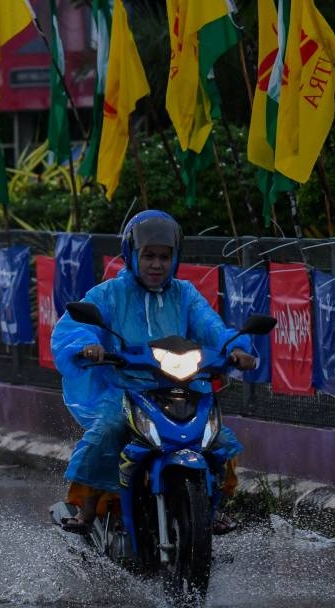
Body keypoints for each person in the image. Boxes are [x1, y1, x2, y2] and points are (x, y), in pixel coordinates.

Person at [50, 210, 257, 534]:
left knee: (218, 441)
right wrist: (87, 346)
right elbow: (75, 326)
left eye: (164, 256)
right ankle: (87, 511)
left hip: (182, 385)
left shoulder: (184, 294)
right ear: (132, 255)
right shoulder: (110, 293)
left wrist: (236, 348)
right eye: (148, 256)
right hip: (126, 388)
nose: (156, 264)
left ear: (175, 258)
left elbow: (211, 326)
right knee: (108, 430)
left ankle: (209, 506)